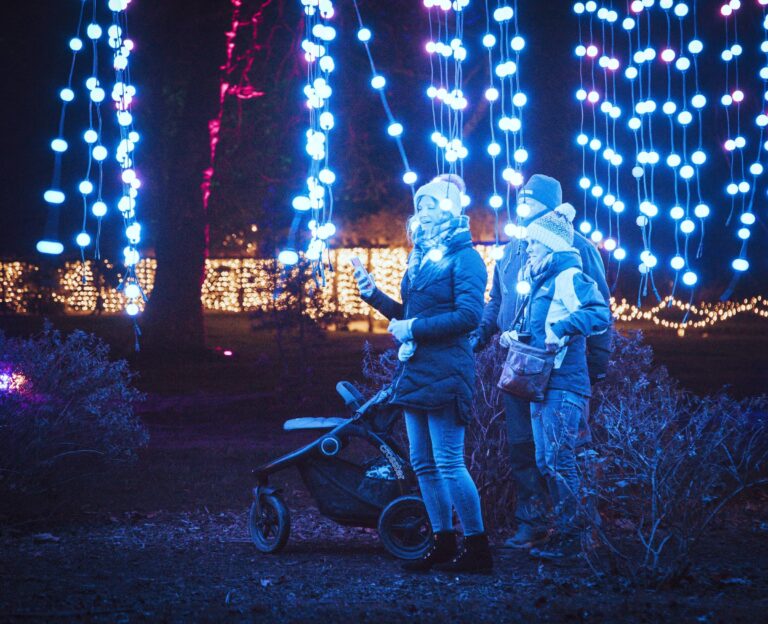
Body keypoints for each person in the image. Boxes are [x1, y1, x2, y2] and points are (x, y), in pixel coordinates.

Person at [354, 174, 492, 573]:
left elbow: (469, 317)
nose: (423, 211)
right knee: (423, 464)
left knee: (449, 462)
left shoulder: (465, 258)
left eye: (432, 204)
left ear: (450, 209)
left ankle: (478, 548)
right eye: (421, 204)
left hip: (448, 369)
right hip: (417, 371)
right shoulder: (419, 259)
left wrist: (412, 329)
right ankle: (443, 542)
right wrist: (372, 294)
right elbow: (408, 315)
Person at [471, 174, 612, 551]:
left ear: (550, 207)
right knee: (525, 448)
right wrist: (484, 333)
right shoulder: (517, 250)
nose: (523, 207)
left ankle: (578, 530)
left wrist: (596, 366)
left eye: (532, 201)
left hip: (560, 371)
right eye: (522, 200)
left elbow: (599, 310)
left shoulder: (574, 250)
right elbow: (496, 300)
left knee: (563, 452)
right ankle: (531, 521)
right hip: (521, 366)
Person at [508, 203, 611, 558]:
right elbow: (544, 329)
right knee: (547, 460)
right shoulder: (544, 279)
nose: (529, 248)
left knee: (560, 460)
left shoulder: (569, 276)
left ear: (551, 245)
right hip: (543, 385)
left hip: (564, 384)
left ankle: (576, 538)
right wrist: (519, 339)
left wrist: (563, 329)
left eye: (535, 243)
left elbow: (599, 314)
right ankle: (570, 533)